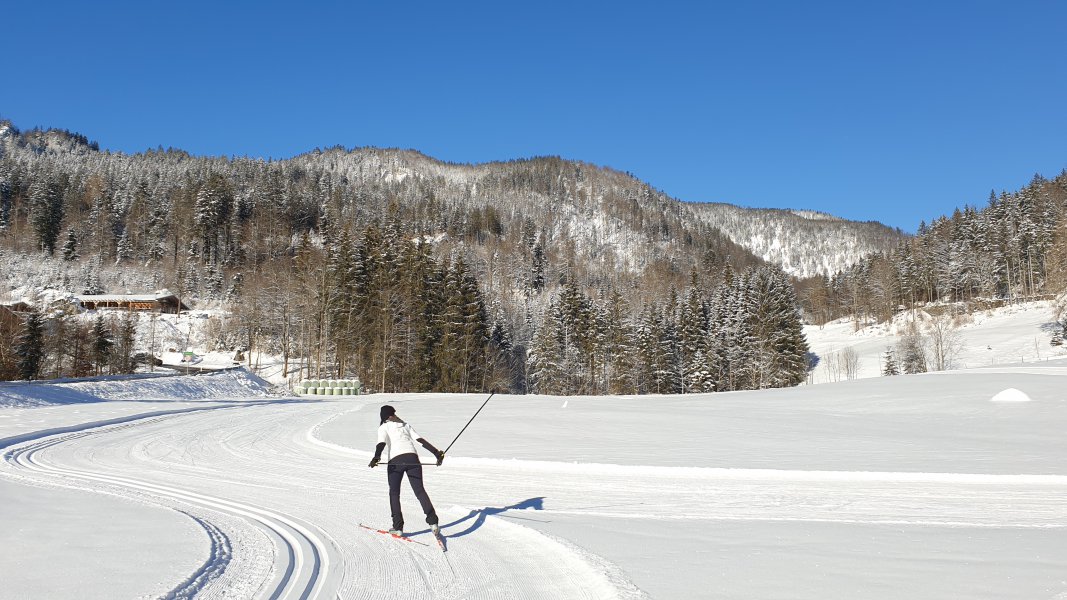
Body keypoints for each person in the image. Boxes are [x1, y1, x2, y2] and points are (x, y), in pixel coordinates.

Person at [369, 405, 445, 536]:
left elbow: (381, 443)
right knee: (420, 491)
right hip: (412, 459)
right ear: (393, 415)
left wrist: (376, 457)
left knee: (394, 493)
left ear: (384, 417)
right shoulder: (405, 425)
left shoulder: (383, 427)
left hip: (395, 461)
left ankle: (398, 527)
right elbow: (420, 441)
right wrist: (437, 453)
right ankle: (433, 522)